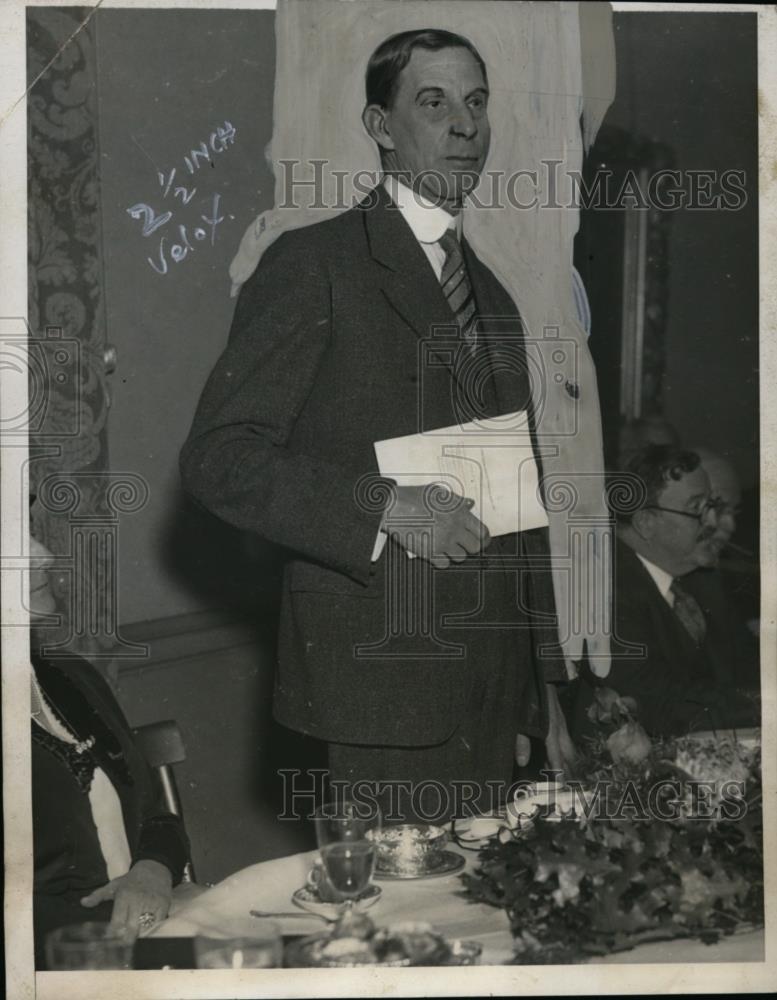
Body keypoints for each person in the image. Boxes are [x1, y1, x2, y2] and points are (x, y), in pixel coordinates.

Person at [180, 28, 575, 822]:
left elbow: (521, 509)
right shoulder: (312, 264)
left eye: (476, 102)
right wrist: (388, 507)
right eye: (433, 103)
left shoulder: (493, 294)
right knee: (401, 933)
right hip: (381, 686)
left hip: (495, 693)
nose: (465, 125)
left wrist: (548, 691)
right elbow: (220, 459)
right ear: (380, 126)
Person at [28, 531, 190, 968]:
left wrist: (153, 868)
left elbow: (156, 816)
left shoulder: (69, 675)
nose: (43, 555)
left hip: (151, 933)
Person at [568, 445, 758, 738]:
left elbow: (749, 663)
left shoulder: (700, 578)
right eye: (697, 509)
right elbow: (658, 703)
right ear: (645, 522)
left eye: (712, 506)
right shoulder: (603, 590)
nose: (713, 522)